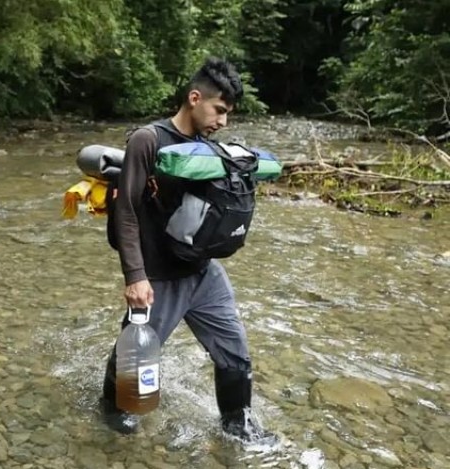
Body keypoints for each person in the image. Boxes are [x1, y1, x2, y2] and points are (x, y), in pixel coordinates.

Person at [101, 57, 274, 442]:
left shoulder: (207, 149)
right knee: (134, 355)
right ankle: (112, 414)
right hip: (159, 277)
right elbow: (127, 209)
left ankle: (237, 424)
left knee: (234, 351)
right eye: (220, 110)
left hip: (204, 273)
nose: (223, 121)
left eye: (228, 114)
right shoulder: (148, 140)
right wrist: (135, 277)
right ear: (195, 98)